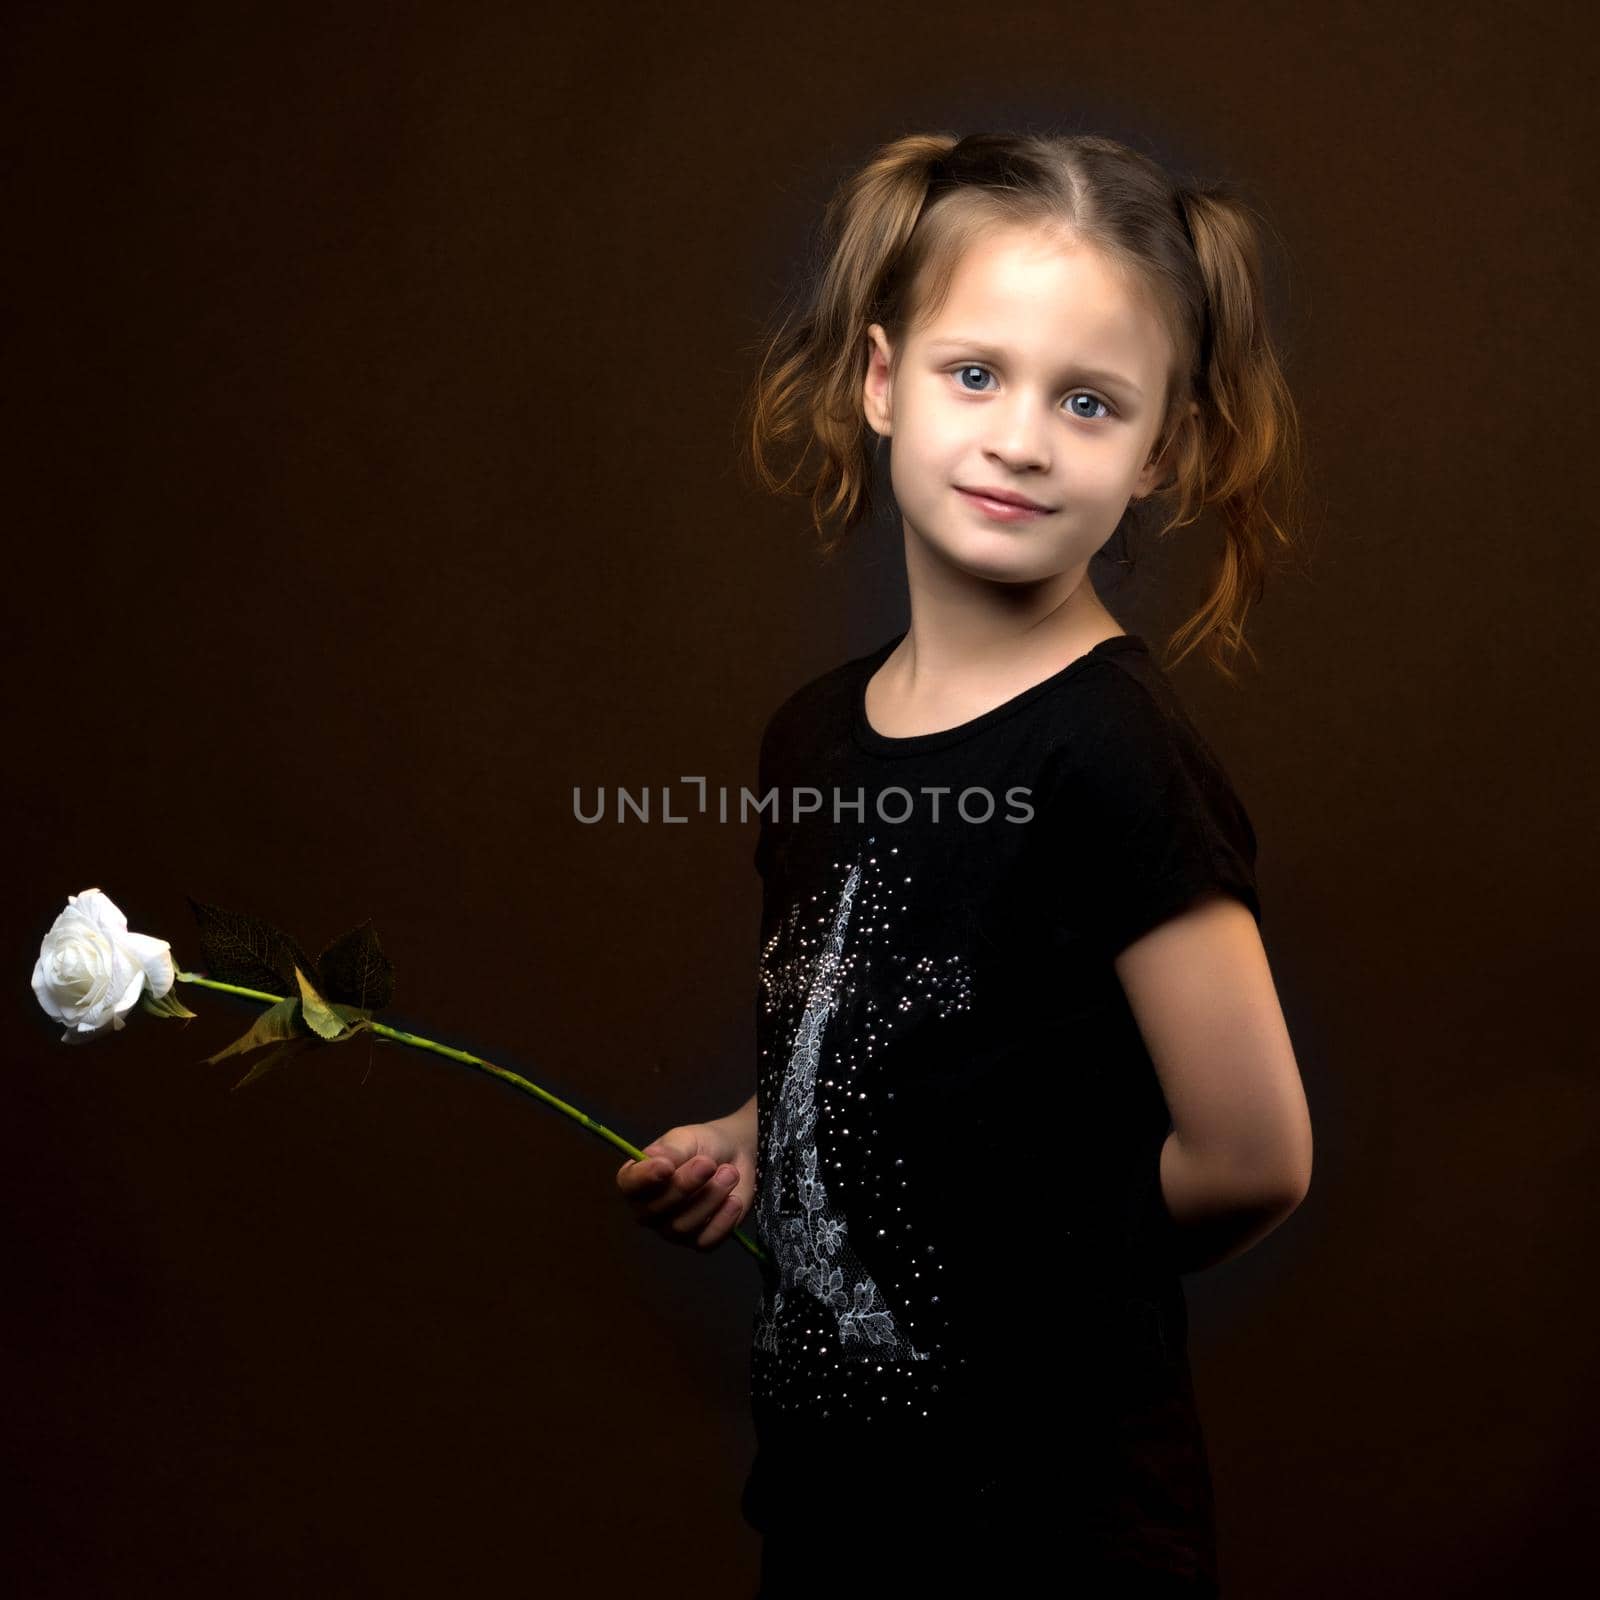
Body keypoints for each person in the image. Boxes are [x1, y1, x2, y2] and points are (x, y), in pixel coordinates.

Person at [617, 129, 1314, 1596]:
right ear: (883, 382)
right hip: (833, 1505)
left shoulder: (1111, 758)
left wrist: (1009, 1260)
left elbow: (1253, 1155)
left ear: (1162, 451)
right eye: (975, 373)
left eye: (1090, 401)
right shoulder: (812, 734)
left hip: (1047, 1526)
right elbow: (911, 1016)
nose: (1020, 438)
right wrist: (765, 1134)